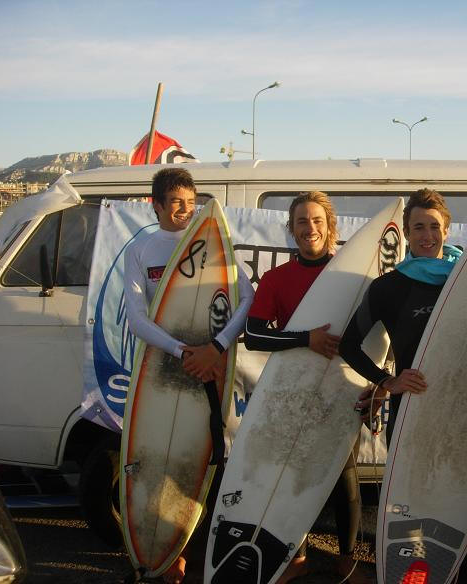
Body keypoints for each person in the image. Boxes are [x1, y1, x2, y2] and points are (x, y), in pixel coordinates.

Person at [123, 167, 254, 584]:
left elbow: (247, 299)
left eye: (191, 202)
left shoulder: (214, 242)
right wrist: (181, 351)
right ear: (157, 204)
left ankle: (202, 554)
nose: (185, 210)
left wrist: (216, 346)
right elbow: (137, 318)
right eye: (176, 202)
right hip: (163, 369)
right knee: (163, 456)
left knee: (208, 457)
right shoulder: (141, 250)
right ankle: (170, 552)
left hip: (212, 368)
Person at [243, 191, 370, 584]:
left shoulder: (353, 278)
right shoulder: (276, 278)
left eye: (317, 220)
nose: (310, 228)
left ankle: (347, 559)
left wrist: (378, 382)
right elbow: (253, 336)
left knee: (343, 474)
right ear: (291, 228)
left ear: (330, 226)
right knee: (291, 474)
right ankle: (295, 555)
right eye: (302, 221)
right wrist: (305, 339)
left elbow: (376, 335)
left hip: (342, 388)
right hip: (294, 391)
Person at [339, 188, 462, 445]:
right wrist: (387, 381)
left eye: (434, 227)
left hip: (461, 406)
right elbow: (348, 346)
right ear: (406, 233)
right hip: (410, 409)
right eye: (418, 227)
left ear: (446, 231)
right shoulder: (388, 287)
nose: (427, 236)